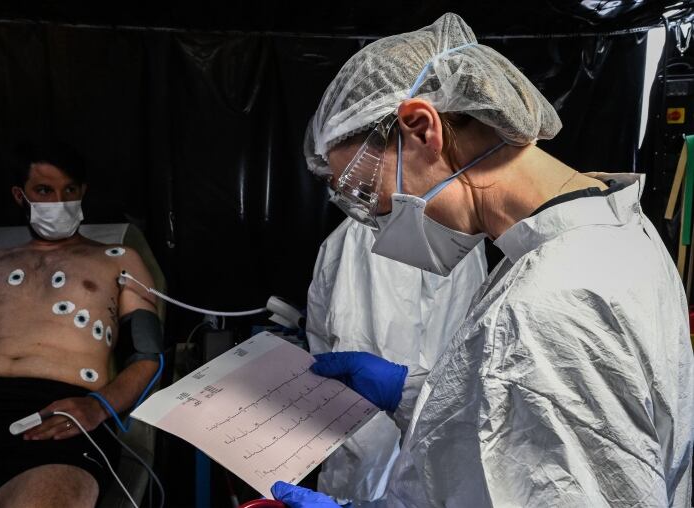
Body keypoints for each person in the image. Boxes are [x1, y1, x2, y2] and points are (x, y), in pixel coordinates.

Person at [273, 12, 694, 508]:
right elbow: (519, 422)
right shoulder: (612, 225)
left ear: (421, 127)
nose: (374, 222)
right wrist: (408, 393)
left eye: (367, 191)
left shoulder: (549, 302)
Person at [0, 145, 162, 508]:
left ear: (83, 193)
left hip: (57, 415)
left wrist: (97, 407)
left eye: (70, 191)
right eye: (44, 191)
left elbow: (147, 356)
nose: (59, 202)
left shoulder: (118, 259)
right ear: (20, 195)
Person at [306, 217, 486, 502]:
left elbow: (367, 423)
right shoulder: (460, 237)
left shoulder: (374, 235)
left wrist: (358, 502)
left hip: (388, 475)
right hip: (441, 462)